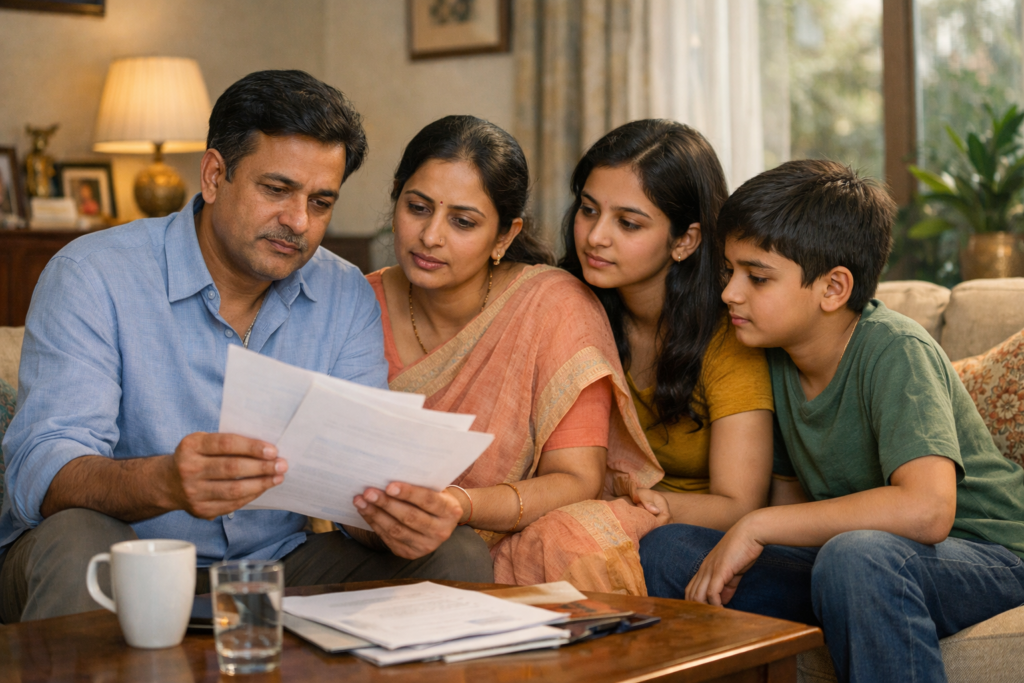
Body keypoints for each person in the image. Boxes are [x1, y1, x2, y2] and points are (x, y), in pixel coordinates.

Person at [0, 70, 492, 624]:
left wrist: (391, 518)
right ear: (214, 175)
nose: (298, 222)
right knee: (76, 540)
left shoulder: (344, 292)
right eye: (276, 189)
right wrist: (161, 481)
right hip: (123, 553)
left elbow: (353, 484)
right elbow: (41, 468)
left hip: (271, 564)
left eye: (321, 201)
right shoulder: (93, 274)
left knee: (456, 554)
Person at [640, 159, 1024, 683]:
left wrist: (756, 525)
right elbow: (791, 502)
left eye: (757, 277)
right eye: (730, 272)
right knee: (668, 549)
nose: (730, 292)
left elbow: (929, 509)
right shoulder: (769, 356)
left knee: (858, 557)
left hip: (989, 556)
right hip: (856, 563)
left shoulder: (895, 349)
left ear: (834, 288)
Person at [361, 115, 664, 594]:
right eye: (417, 207)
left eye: (462, 221)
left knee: (568, 540)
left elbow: (577, 479)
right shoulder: (355, 303)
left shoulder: (553, 307)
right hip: (364, 539)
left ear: (504, 236)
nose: (430, 236)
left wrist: (459, 505)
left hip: (509, 543)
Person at [559, 120, 774, 534]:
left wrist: (628, 506)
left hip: (685, 537)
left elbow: (740, 506)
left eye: (628, 223)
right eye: (589, 210)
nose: (595, 237)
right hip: (583, 517)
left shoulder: (728, 335)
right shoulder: (567, 308)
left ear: (685, 241)